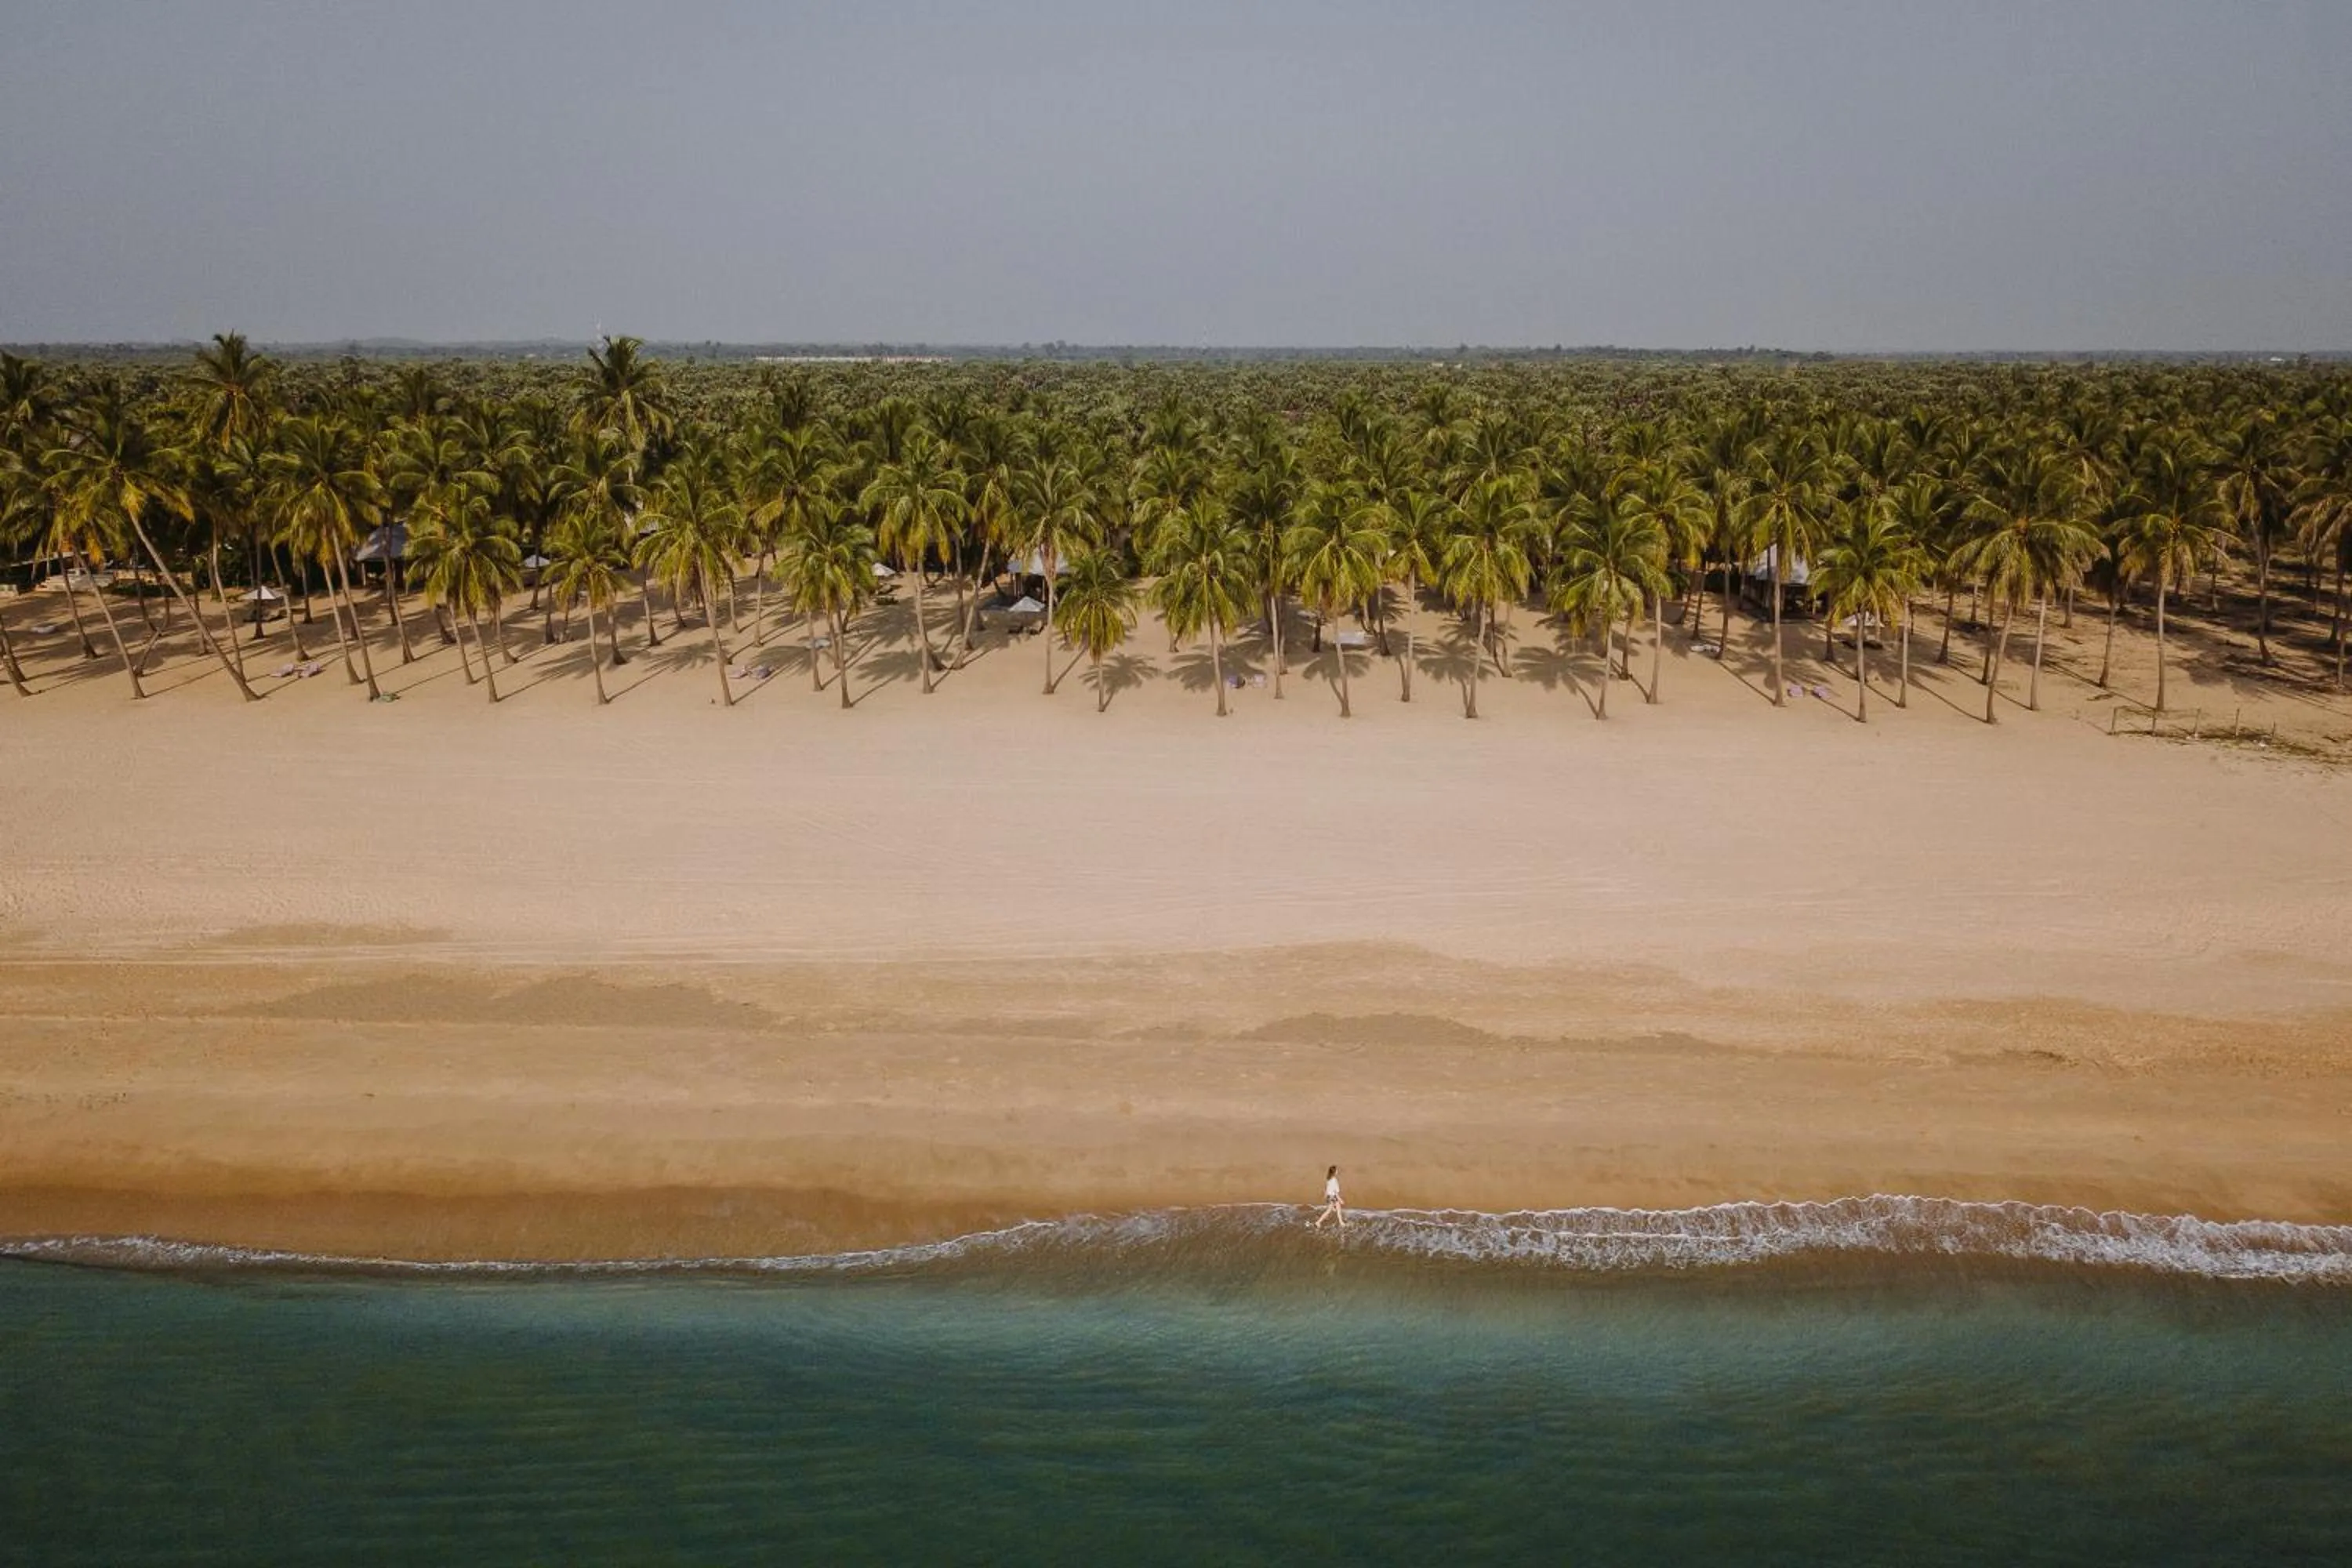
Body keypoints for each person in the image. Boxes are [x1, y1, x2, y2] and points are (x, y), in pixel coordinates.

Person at [1312, 1164, 1345, 1229]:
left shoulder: (1328, 1179)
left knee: (1337, 1208)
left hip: (1329, 1196)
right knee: (1329, 1210)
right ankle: (1318, 1222)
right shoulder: (1334, 1180)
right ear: (1334, 1172)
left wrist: (1325, 1195)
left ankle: (1341, 1222)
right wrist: (1340, 1199)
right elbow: (1336, 1192)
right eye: (1337, 1170)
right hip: (1333, 1197)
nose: (1338, 1171)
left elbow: (1326, 1187)